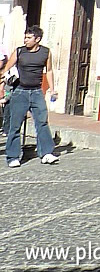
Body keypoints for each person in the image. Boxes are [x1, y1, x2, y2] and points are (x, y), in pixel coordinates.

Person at [1, 26, 59, 167]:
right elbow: (6, 70)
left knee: (42, 122)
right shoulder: (19, 51)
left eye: (29, 38)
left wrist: (52, 89)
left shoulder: (46, 52)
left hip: (37, 92)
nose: (25, 40)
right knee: (15, 125)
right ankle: (13, 156)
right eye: (25, 37)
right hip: (20, 91)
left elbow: (49, 71)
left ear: (37, 39)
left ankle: (46, 153)